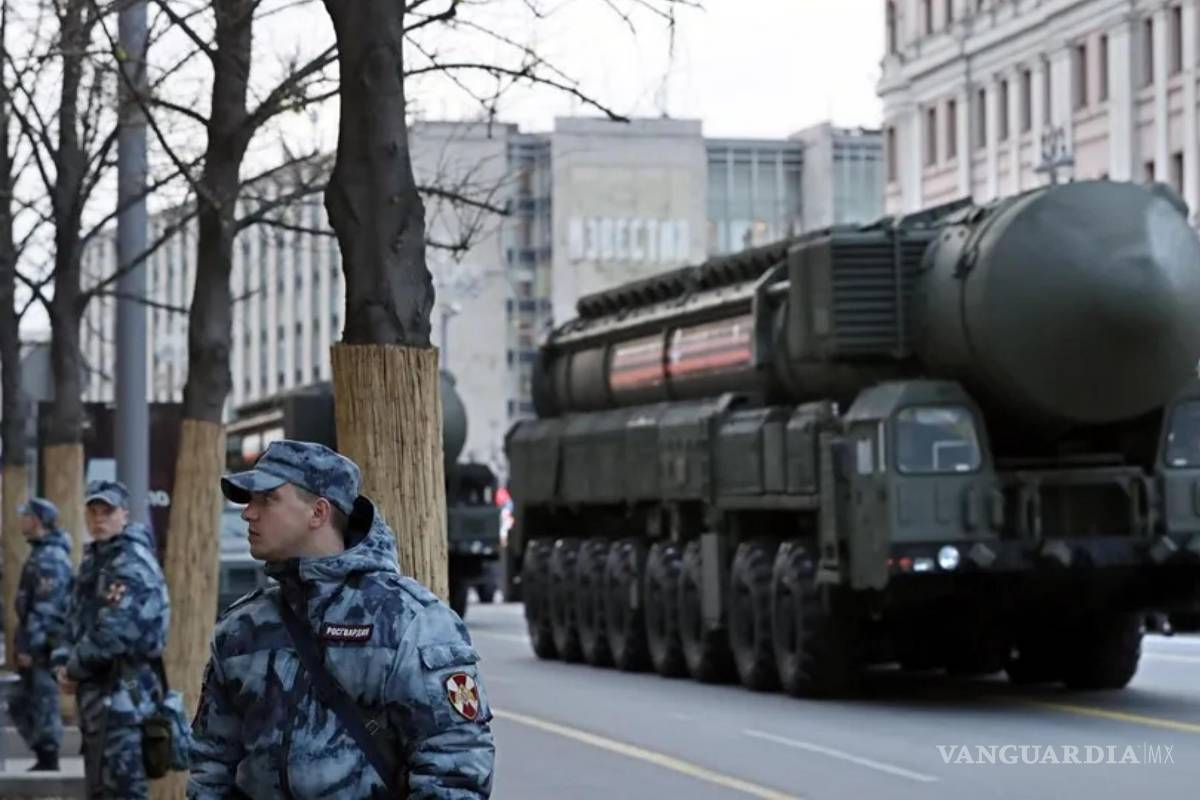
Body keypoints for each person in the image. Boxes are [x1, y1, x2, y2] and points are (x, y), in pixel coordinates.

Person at [188, 440, 495, 799]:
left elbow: (456, 763)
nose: (248, 513)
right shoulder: (241, 629)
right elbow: (210, 765)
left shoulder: (410, 621)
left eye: (267, 499)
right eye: (249, 500)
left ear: (318, 513)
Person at [52, 479, 170, 799]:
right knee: (101, 786)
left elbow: (113, 634)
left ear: (125, 515)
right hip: (99, 695)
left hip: (125, 693)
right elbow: (72, 618)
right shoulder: (96, 560)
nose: (99, 519)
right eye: (93, 511)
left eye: (108, 511)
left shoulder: (130, 562)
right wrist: (61, 661)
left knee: (122, 787)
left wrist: (72, 669)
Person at [13, 497, 73, 771]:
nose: (21, 520)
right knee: (23, 700)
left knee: (42, 699)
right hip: (38, 644)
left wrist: (30, 648)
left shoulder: (50, 558)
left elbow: (45, 609)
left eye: (25, 515)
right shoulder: (42, 552)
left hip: (44, 648)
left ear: (36, 520)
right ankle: (44, 752)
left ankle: (48, 756)